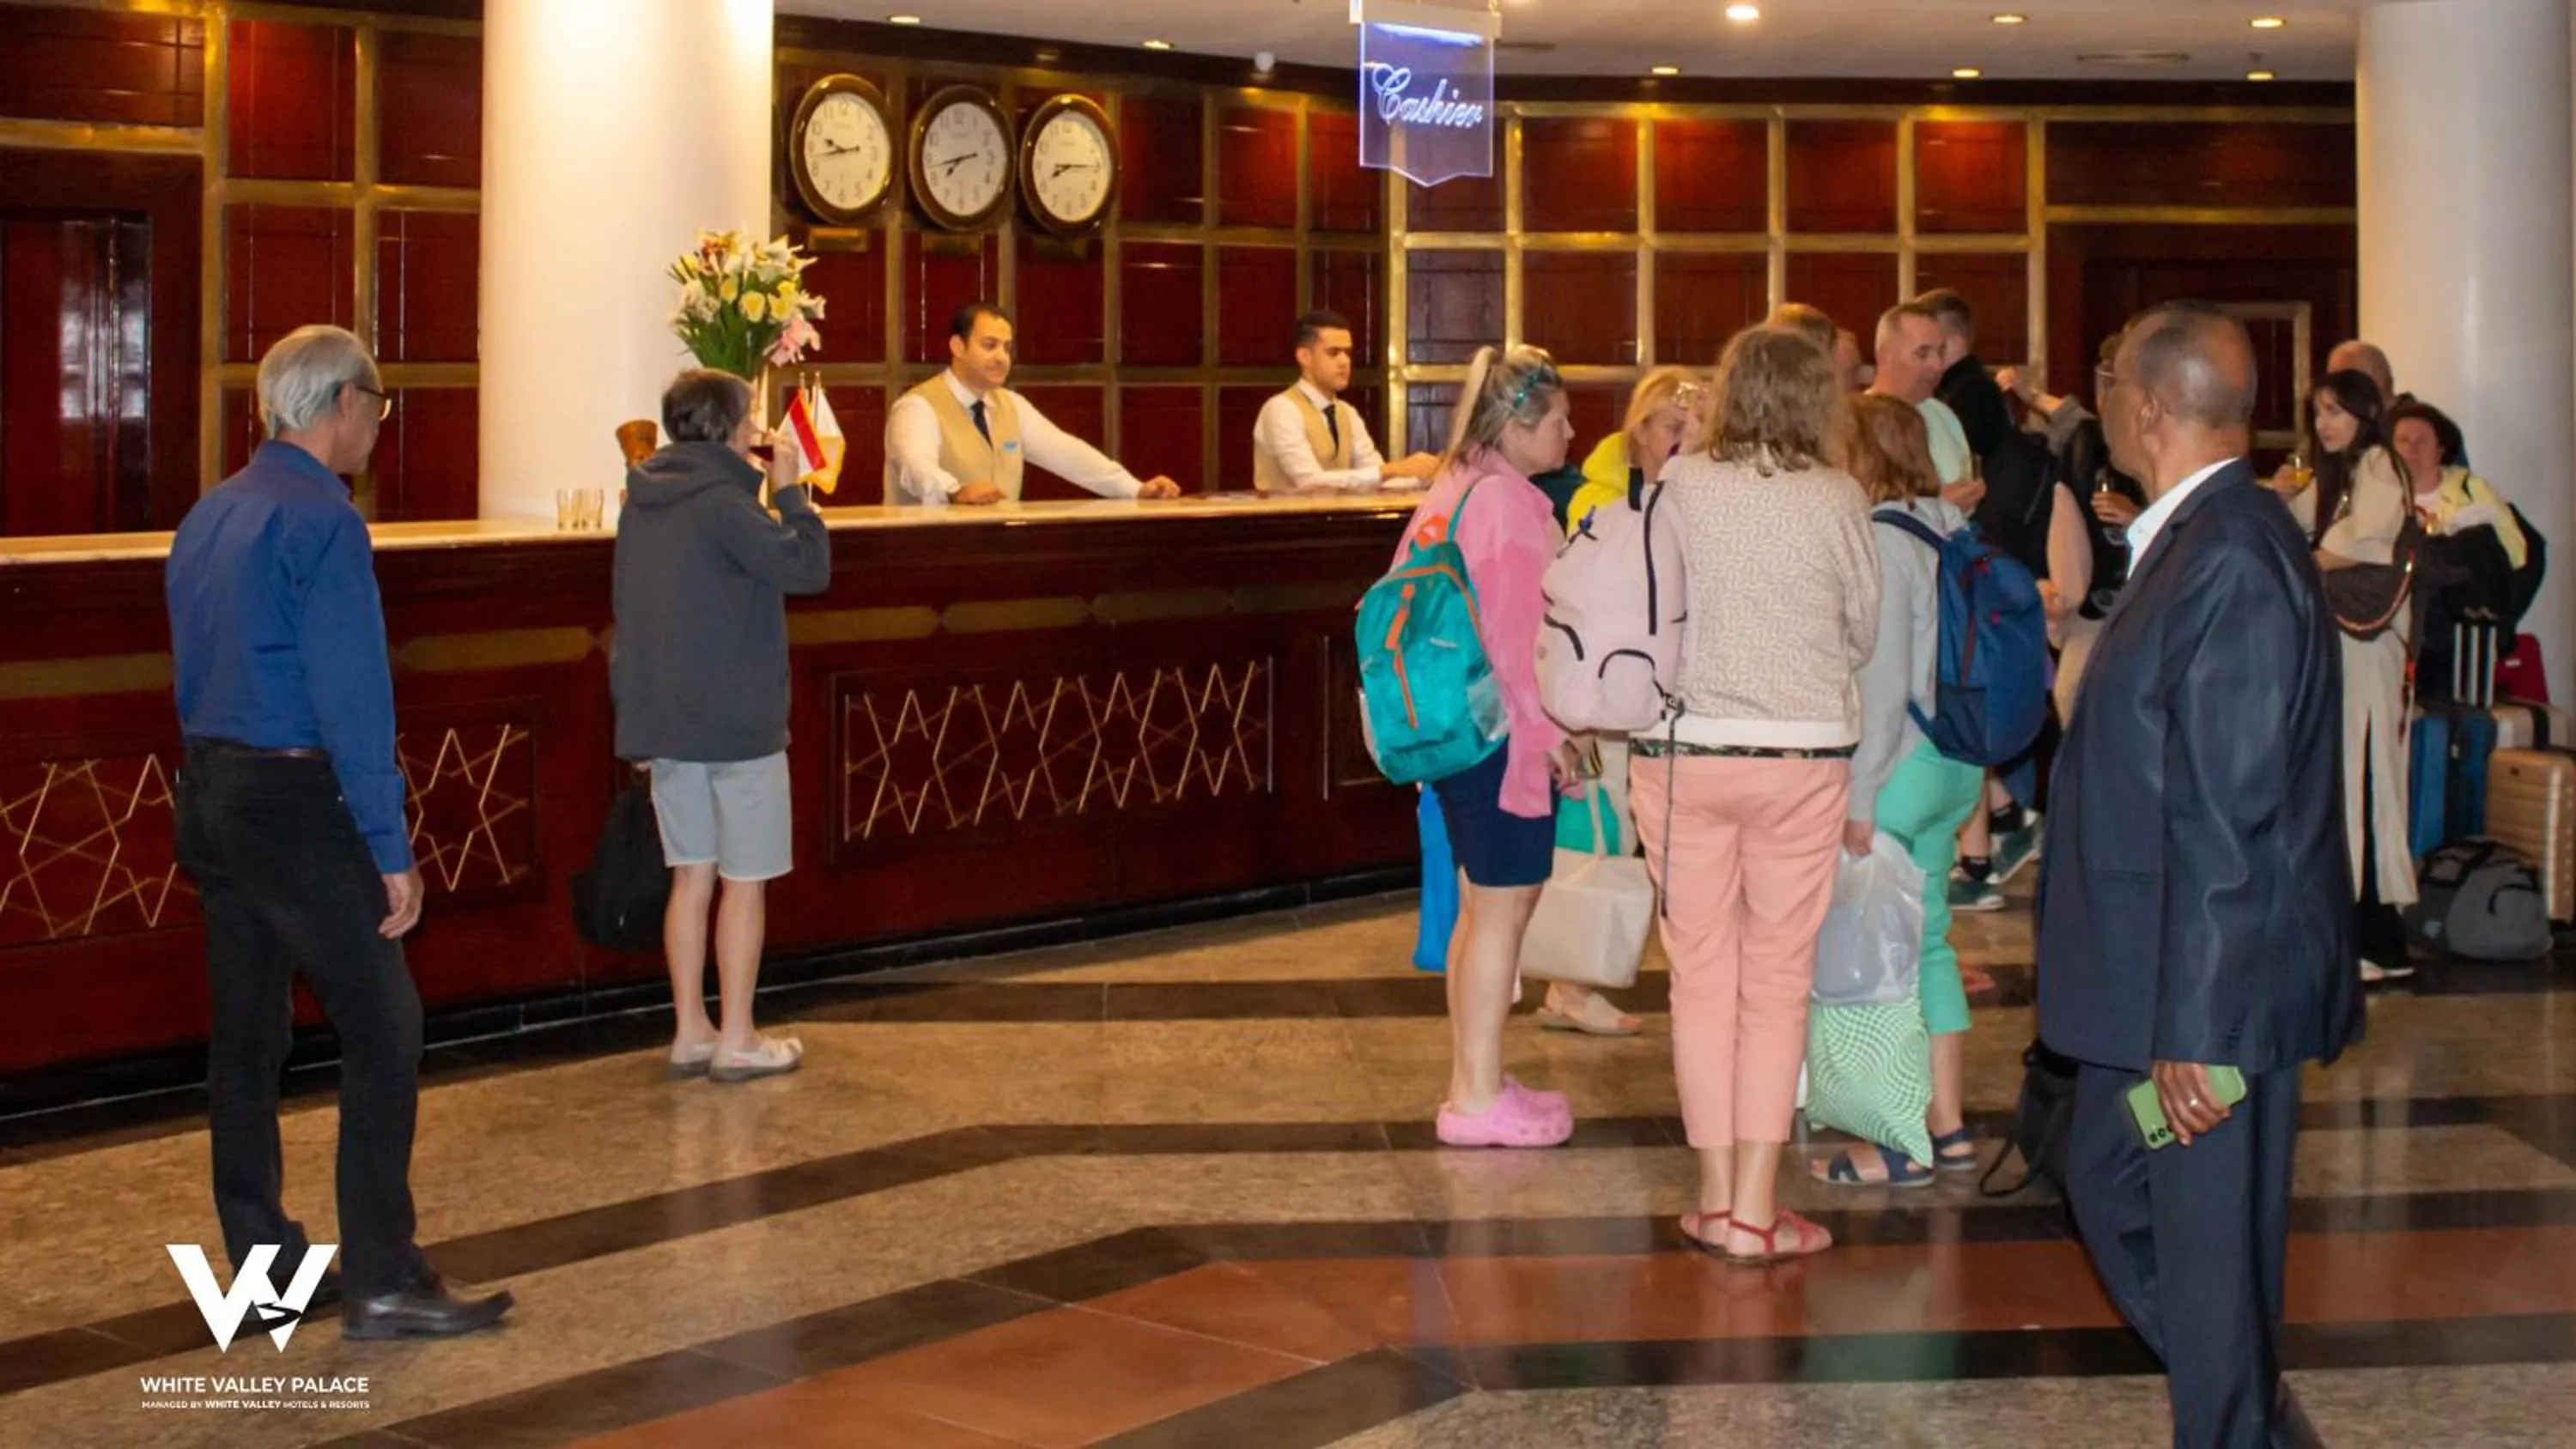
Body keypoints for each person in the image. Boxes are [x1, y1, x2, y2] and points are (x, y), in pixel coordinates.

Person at [2040, 300, 2359, 1449]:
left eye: (2114, 377)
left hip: (2206, 996)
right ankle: (2253, 1413)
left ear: (2151, 407)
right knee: (2112, 1178)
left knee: (2201, 1247)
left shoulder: (2227, 552)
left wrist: (2203, 1023)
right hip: (2164, 977)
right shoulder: (2198, 537)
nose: (2106, 396)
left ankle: (2238, 1418)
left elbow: (2230, 811)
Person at [166, 324, 514, 1340]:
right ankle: (384, 1272)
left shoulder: (211, 513)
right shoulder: (323, 522)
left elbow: (193, 673)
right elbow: (353, 697)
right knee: (385, 1024)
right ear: (342, 406)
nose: (380, 423)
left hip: (213, 792)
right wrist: (389, 844)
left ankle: (263, 1267)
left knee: (247, 1035)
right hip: (296, 799)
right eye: (379, 404)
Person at [1637, 325, 1879, 1263]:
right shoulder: (1838, 496)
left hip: (1686, 750)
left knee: (1700, 976)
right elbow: (1859, 630)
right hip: (1804, 754)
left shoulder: (1680, 483)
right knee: (1778, 980)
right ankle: (1753, 1207)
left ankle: (1709, 1197)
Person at [613, 368, 834, 1081]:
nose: (760, 431)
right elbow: (807, 568)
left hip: (666, 723)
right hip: (737, 722)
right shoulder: (725, 503)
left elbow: (630, 619)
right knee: (745, 879)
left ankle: (691, 1030)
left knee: (692, 877)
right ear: (727, 428)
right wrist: (793, 489)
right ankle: (738, 1034)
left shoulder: (641, 500)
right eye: (752, 420)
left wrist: (634, 723)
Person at [1396, 345, 1583, 1148]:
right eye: (1559, 421)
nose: (1572, 434)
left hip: (1455, 734)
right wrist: (1550, 744)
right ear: (1514, 427)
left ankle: (1473, 1078)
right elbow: (1517, 649)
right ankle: (1474, 1098)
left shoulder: (1454, 488)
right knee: (1501, 914)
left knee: (1480, 912)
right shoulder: (1506, 510)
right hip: (1499, 742)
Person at [1810, 395, 1984, 1187]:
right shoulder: (1951, 530)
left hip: (1900, 769)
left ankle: (1898, 1139)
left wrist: (1858, 800)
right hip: (1956, 765)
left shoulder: (1880, 540)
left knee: (1882, 957)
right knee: (1933, 945)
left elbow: (1879, 691)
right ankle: (1947, 1129)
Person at [1533, 365, 1710, 1040]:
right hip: (1610, 690)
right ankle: (1570, 982)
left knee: (1635, 838)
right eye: (1673, 428)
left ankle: (1571, 981)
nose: (1685, 442)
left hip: (1664, 692)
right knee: (1601, 834)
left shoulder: (1687, 494)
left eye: (1698, 430)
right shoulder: (1601, 498)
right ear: (1641, 432)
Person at [2277, 371, 2416, 983]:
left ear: (2363, 412)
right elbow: (2302, 522)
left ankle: (2378, 937)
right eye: (2318, 413)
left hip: (2366, 645)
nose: (2325, 423)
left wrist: (2306, 556)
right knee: (2350, 779)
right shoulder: (2342, 473)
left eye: (2334, 411)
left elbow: (2365, 541)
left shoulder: (2380, 464)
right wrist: (2278, 495)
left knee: (2364, 778)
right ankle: (2358, 930)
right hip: (2346, 644)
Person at [887, 301, 1184, 505]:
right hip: (926, 556)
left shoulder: (1011, 405)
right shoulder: (917, 407)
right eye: (989, 346)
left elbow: (1069, 454)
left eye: (1007, 348)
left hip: (996, 555)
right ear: (958, 347)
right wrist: (953, 491)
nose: (1002, 357)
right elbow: (916, 465)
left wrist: (1135, 489)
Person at [1253, 310, 1438, 494]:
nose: (1344, 362)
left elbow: (1377, 477)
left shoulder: (1347, 412)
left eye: (1348, 353)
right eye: (1333, 353)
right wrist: (1389, 470)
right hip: (1284, 521)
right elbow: (1308, 479)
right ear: (1304, 357)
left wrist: (1429, 476)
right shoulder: (1281, 409)